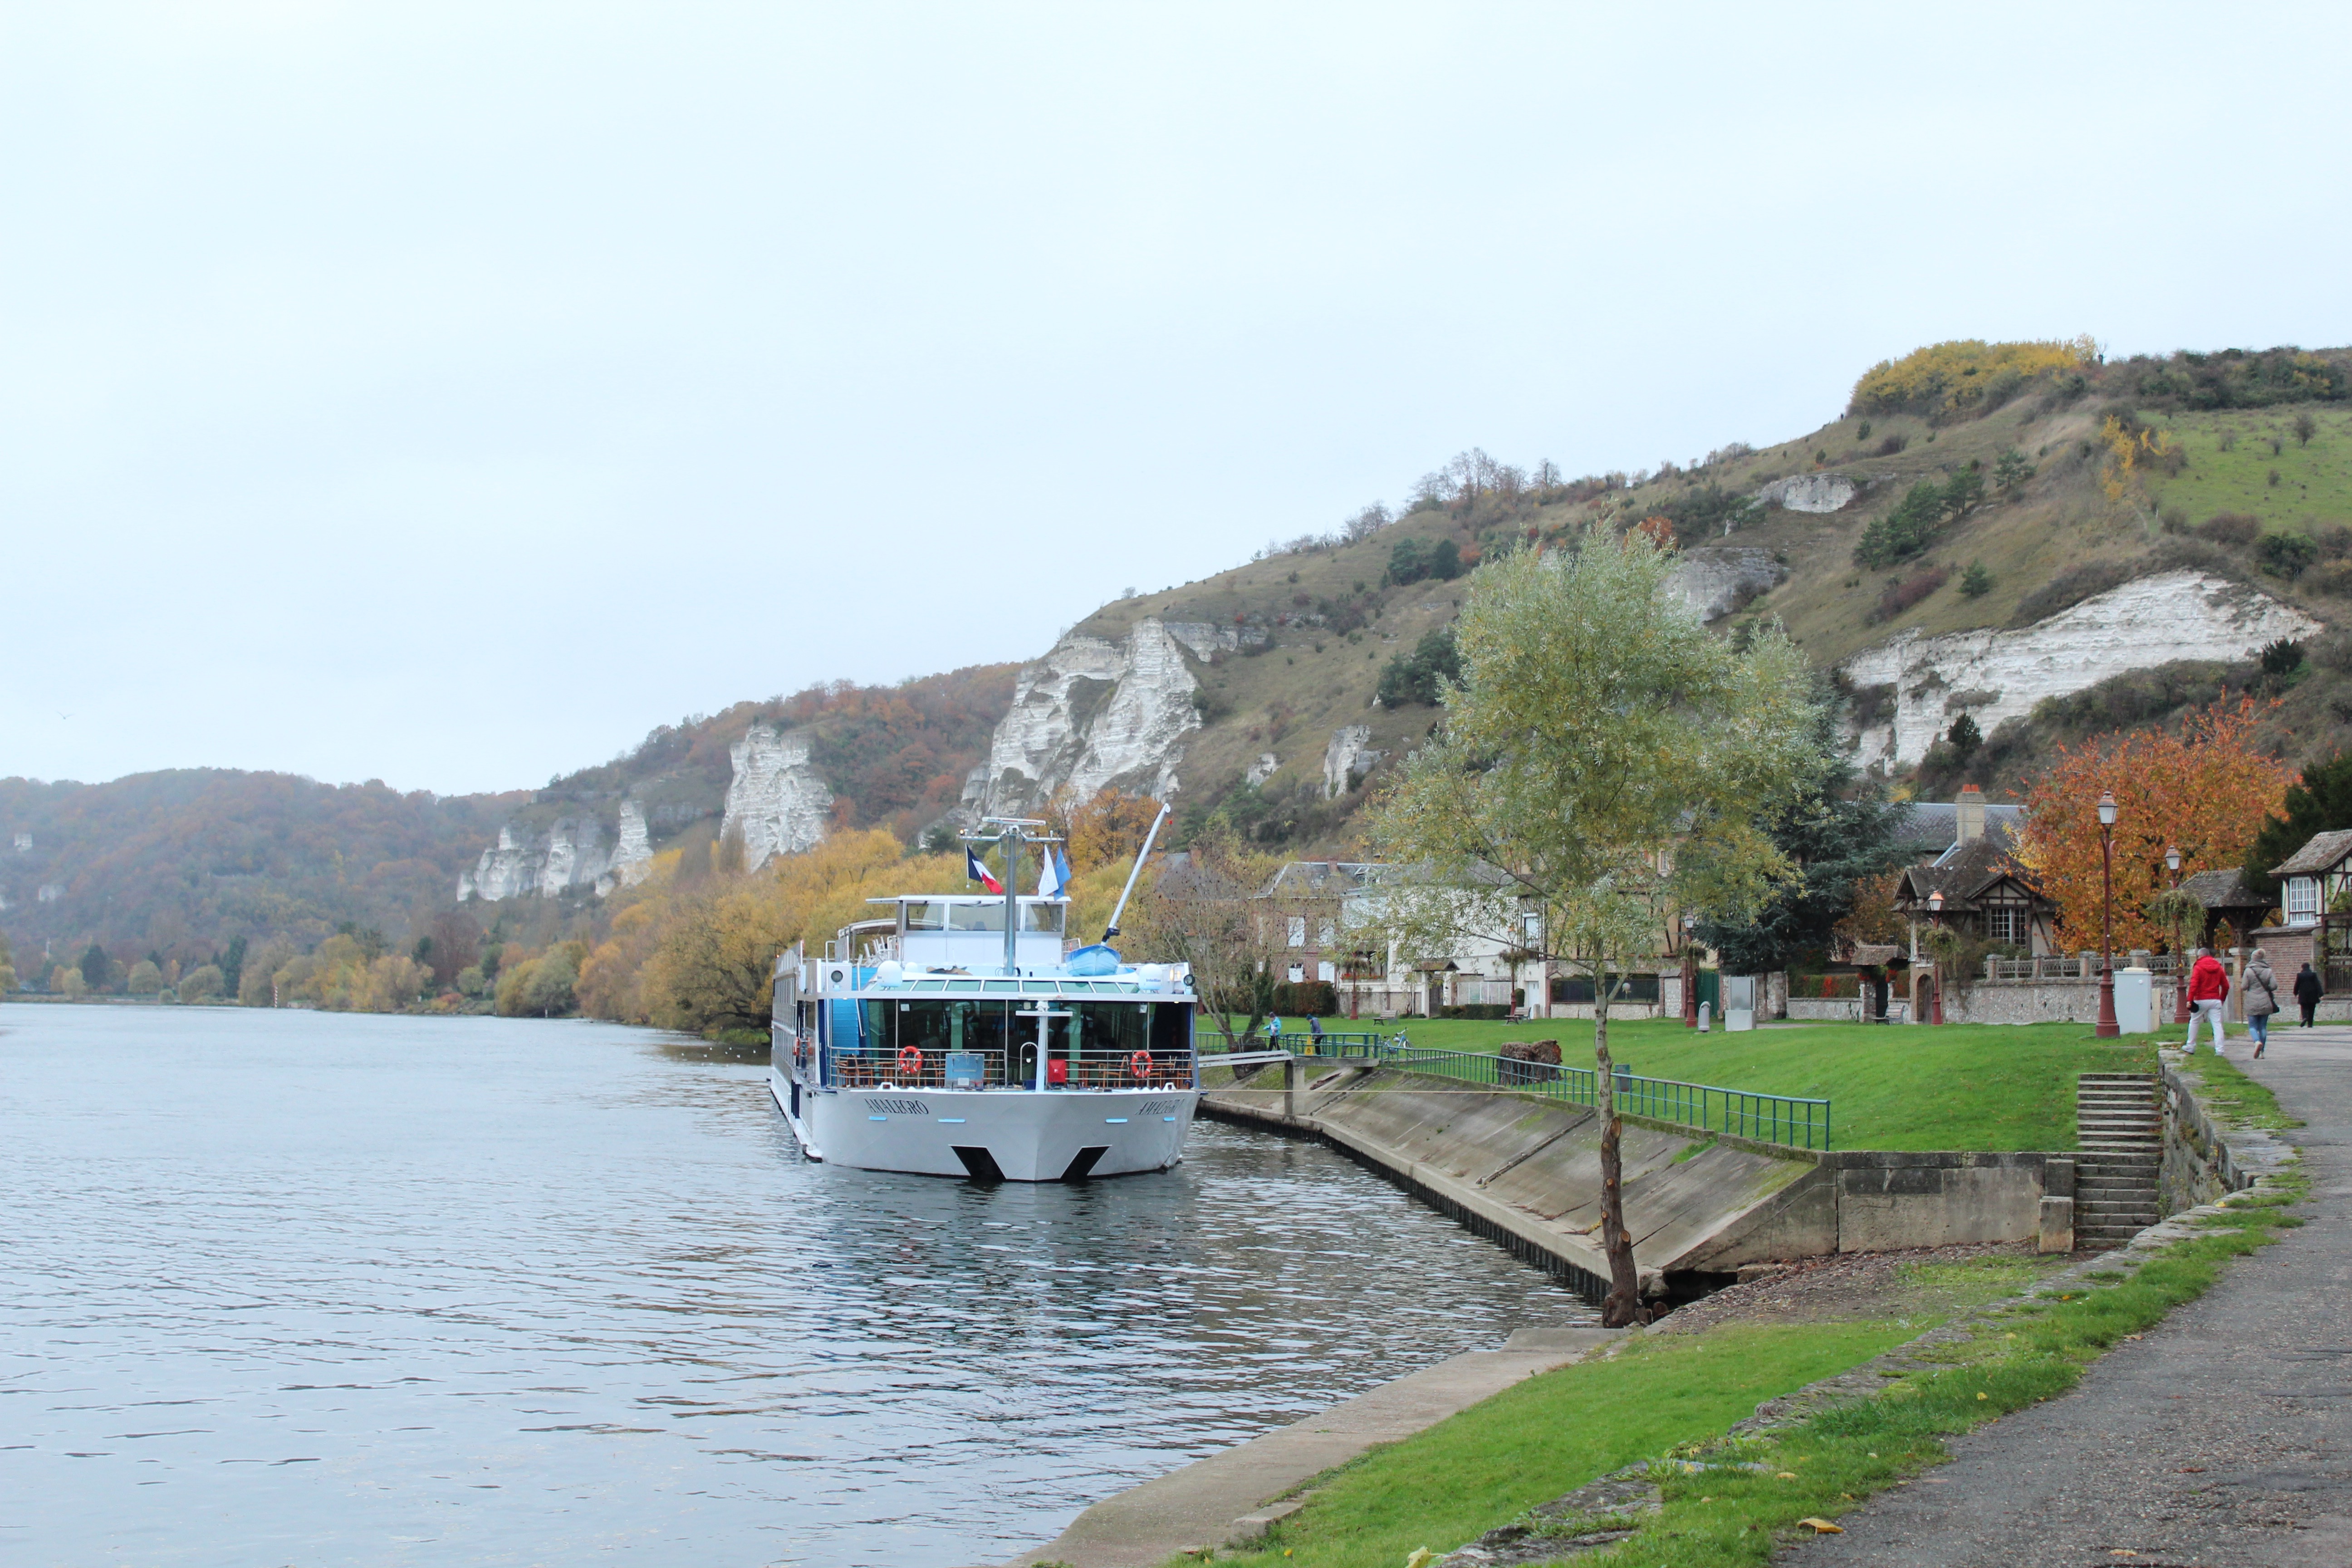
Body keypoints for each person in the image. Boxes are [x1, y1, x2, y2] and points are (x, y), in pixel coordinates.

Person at [2185, 947, 2231, 1054]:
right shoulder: (2219, 967)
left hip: (2201, 999)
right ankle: (2220, 1050)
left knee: (2195, 1021)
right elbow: (2226, 986)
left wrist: (2190, 1000)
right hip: (2215, 1000)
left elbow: (2194, 984)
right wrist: (2221, 1000)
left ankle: (2190, 1046)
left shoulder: (2198, 967)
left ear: (2200, 956)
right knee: (2217, 1025)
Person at [2244, 947, 2279, 1059]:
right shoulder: (2268, 971)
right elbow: (2274, 986)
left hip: (2252, 1001)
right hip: (2265, 1001)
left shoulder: (2249, 971)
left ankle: (2257, 1042)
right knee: (2263, 1027)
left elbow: (2244, 986)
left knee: (2253, 1026)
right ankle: (2262, 1052)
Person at [2296, 961, 2324, 1028]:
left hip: (2303, 994)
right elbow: (2317, 985)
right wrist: (2321, 994)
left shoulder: (2300, 975)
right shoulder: (2313, 975)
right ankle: (2310, 1024)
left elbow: (2297, 985)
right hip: (2313, 994)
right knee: (2312, 1008)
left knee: (2304, 1007)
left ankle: (2305, 1017)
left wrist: (2295, 992)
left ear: (2302, 968)